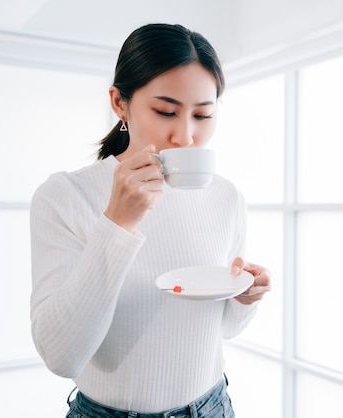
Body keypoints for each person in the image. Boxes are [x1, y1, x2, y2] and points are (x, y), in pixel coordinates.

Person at [29, 23, 271, 418]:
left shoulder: (226, 197)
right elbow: (60, 356)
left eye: (203, 115)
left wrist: (245, 297)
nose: (186, 136)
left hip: (212, 406)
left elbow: (224, 329)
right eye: (165, 111)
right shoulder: (65, 197)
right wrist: (117, 224)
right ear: (120, 103)